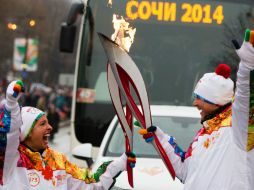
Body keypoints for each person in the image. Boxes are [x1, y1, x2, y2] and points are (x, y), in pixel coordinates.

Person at [138, 29, 254, 189]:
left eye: (200, 98)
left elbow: (245, 97)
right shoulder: (202, 135)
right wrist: (159, 139)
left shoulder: (238, 127)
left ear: (216, 101)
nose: (195, 103)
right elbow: (185, 171)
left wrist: (247, 66)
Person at [0, 80, 136, 189]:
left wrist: (118, 164)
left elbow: (89, 182)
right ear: (26, 133)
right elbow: (9, 135)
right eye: (42, 124)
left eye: (47, 123)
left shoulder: (57, 161)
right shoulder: (12, 162)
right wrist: (11, 106)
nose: (50, 127)